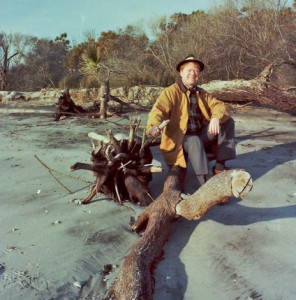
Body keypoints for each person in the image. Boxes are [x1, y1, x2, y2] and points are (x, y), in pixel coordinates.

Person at [146, 54, 236, 188]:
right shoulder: (170, 92)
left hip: (200, 135)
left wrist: (216, 117)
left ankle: (219, 166)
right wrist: (154, 127)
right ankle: (208, 186)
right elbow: (158, 111)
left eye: (196, 70)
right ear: (181, 72)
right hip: (180, 139)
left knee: (228, 121)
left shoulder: (202, 93)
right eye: (189, 70)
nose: (193, 74)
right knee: (194, 141)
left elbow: (220, 106)